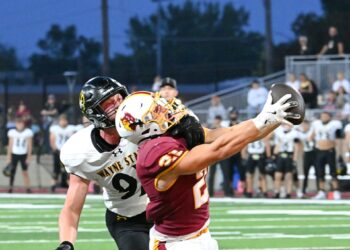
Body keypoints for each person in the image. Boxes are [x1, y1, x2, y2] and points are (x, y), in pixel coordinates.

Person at [115, 90, 299, 249]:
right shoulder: (153, 153)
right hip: (175, 243)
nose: (165, 110)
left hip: (202, 235)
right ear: (144, 127)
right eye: (156, 111)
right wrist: (262, 120)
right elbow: (217, 150)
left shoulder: (176, 135)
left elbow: (233, 134)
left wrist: (273, 118)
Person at [57, 76, 205, 250]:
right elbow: (72, 208)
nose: (118, 105)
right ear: (94, 113)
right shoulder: (81, 151)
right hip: (128, 220)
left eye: (119, 98)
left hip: (166, 211)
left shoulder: (145, 123)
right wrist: (66, 243)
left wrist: (186, 126)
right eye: (109, 103)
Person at [309, 111, 342, 200]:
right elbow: (311, 136)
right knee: (320, 172)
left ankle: (336, 191)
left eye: (325, 116)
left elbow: (338, 139)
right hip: (319, 151)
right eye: (322, 116)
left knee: (333, 172)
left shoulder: (335, 124)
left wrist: (339, 152)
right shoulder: (316, 124)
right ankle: (321, 191)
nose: (323, 117)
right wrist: (312, 142)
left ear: (330, 117)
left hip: (330, 151)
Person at [49, 114, 77, 192]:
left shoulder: (71, 129)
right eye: (61, 120)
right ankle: (53, 186)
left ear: (66, 121)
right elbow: (52, 139)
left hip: (68, 152)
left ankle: (70, 186)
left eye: (64, 120)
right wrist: (55, 149)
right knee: (56, 170)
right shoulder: (55, 129)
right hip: (58, 152)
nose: (63, 122)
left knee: (69, 169)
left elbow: (74, 139)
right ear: (59, 121)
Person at [6, 117, 33, 193]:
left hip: (23, 154)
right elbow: (10, 145)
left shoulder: (28, 132)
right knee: (12, 172)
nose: (20, 125)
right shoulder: (12, 132)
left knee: (25, 172)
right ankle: (10, 187)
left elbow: (29, 145)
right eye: (18, 123)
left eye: (21, 123)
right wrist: (8, 156)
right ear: (16, 124)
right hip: (14, 153)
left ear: (24, 124)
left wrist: (29, 156)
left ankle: (28, 188)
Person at [273, 124, 301, 198]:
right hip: (280, 155)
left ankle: (288, 193)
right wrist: (274, 154)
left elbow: (297, 146)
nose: (286, 126)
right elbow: (277, 144)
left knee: (289, 176)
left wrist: (295, 159)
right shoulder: (278, 132)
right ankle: (277, 192)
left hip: (289, 155)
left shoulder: (295, 133)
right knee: (277, 175)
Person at [297, 120, 316, 196]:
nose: (304, 127)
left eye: (306, 125)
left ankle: (320, 190)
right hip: (306, 154)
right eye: (303, 125)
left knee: (318, 172)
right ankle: (303, 190)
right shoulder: (299, 133)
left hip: (315, 153)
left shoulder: (312, 131)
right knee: (305, 172)